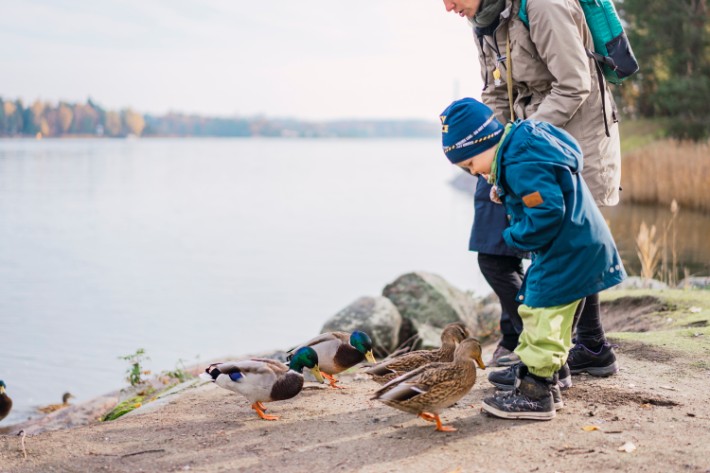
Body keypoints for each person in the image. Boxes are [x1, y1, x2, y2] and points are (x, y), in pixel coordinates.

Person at [442, 0, 623, 378]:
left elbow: (574, 85)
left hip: (569, 139)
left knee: (570, 244)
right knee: (495, 249)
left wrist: (519, 144)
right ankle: (560, 347)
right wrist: (487, 154)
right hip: (519, 146)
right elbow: (493, 92)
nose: (447, 6)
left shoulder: (543, 6)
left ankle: (564, 355)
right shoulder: (484, 19)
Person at [439, 97, 626, 419]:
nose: (474, 173)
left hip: (566, 251)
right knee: (551, 316)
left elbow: (547, 211)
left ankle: (536, 393)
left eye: (470, 165)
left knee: (539, 313)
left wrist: (514, 236)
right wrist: (506, 189)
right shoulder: (523, 149)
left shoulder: (520, 162)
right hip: (577, 245)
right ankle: (546, 378)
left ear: (484, 141)